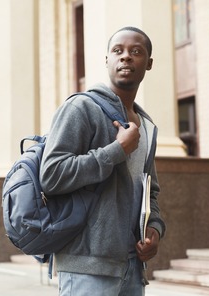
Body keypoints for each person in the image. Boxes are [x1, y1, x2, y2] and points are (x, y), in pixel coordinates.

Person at [39, 26, 166, 296]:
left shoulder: (146, 126)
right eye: (117, 51)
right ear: (106, 60)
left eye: (136, 52)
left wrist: (154, 228)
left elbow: (150, 191)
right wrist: (117, 149)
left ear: (149, 63)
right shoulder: (81, 108)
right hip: (87, 267)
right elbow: (51, 175)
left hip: (132, 267)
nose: (126, 57)